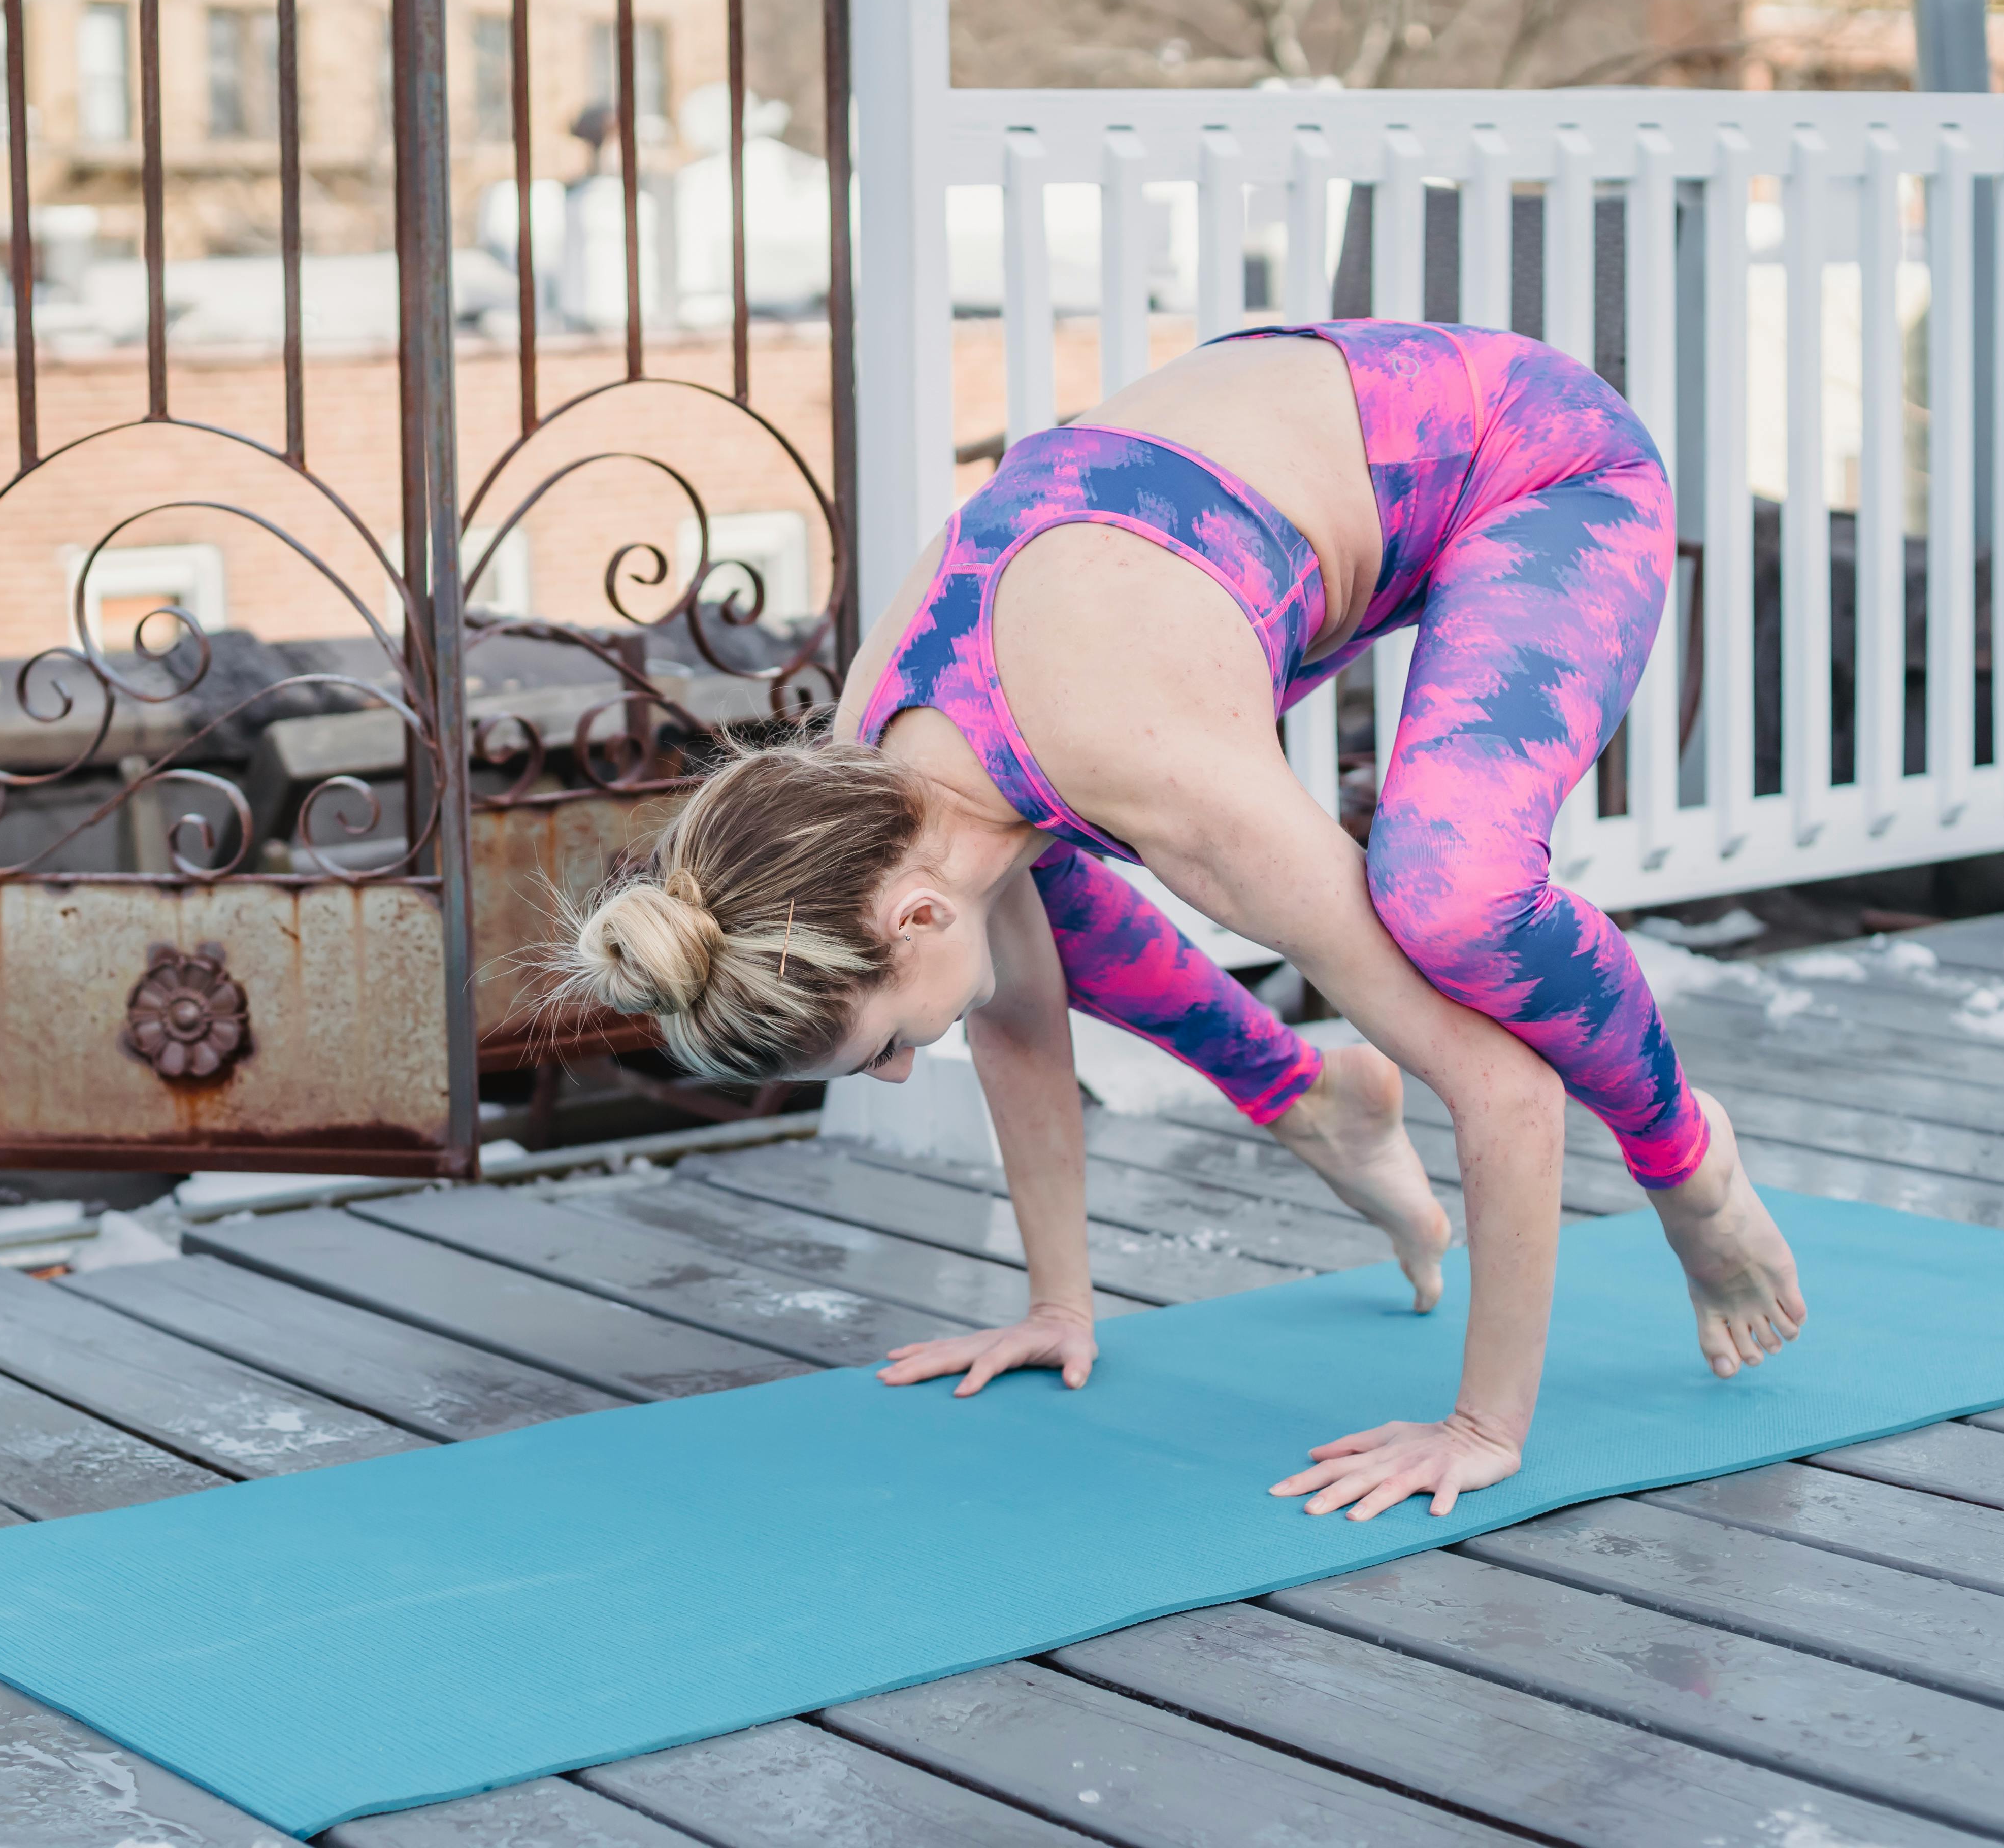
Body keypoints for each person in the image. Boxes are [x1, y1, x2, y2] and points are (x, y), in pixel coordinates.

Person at [551, 319, 1806, 1524]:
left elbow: (1504, 1086)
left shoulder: (1158, 778)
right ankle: (1315, 1096)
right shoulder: (863, 797)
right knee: (1041, 920)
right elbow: (1015, 1012)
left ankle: (1691, 1162)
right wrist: (1059, 1305)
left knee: (1453, 894)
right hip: (1255, 510)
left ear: (912, 913)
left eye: (882, 1041)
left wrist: (1482, 1427)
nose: (893, 1066)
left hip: (1538, 465)